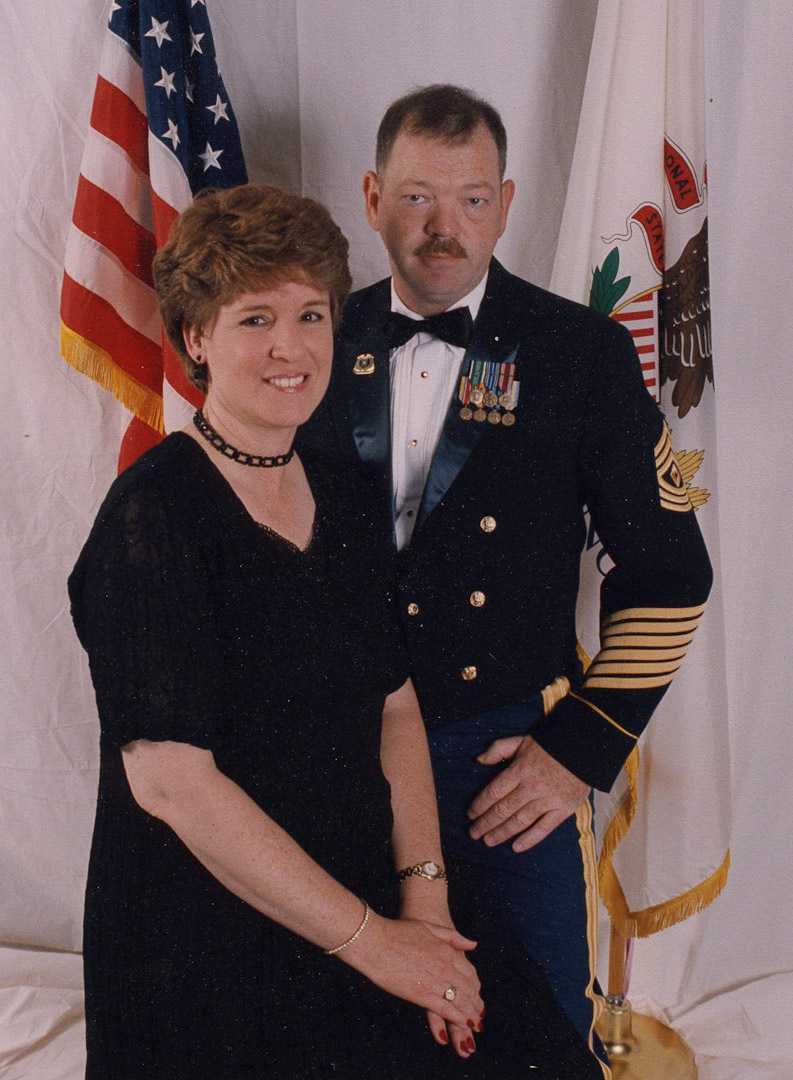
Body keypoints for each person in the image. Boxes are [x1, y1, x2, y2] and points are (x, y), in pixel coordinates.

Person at [299, 84, 713, 1070]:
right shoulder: (307, 341)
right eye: (416, 198)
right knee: (333, 1033)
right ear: (371, 198)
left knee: (541, 1038)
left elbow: (666, 573)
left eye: (471, 199)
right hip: (332, 757)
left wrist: (577, 748)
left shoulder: (578, 354)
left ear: (507, 203)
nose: (443, 227)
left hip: (497, 760)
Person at [69, 184, 490, 1080]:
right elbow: (173, 784)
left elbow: (395, 708)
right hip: (202, 935)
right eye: (255, 319)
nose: (290, 348)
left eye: (310, 315)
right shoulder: (151, 517)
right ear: (196, 338)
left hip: (360, 893)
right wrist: (379, 947)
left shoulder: (345, 494)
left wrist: (424, 909)